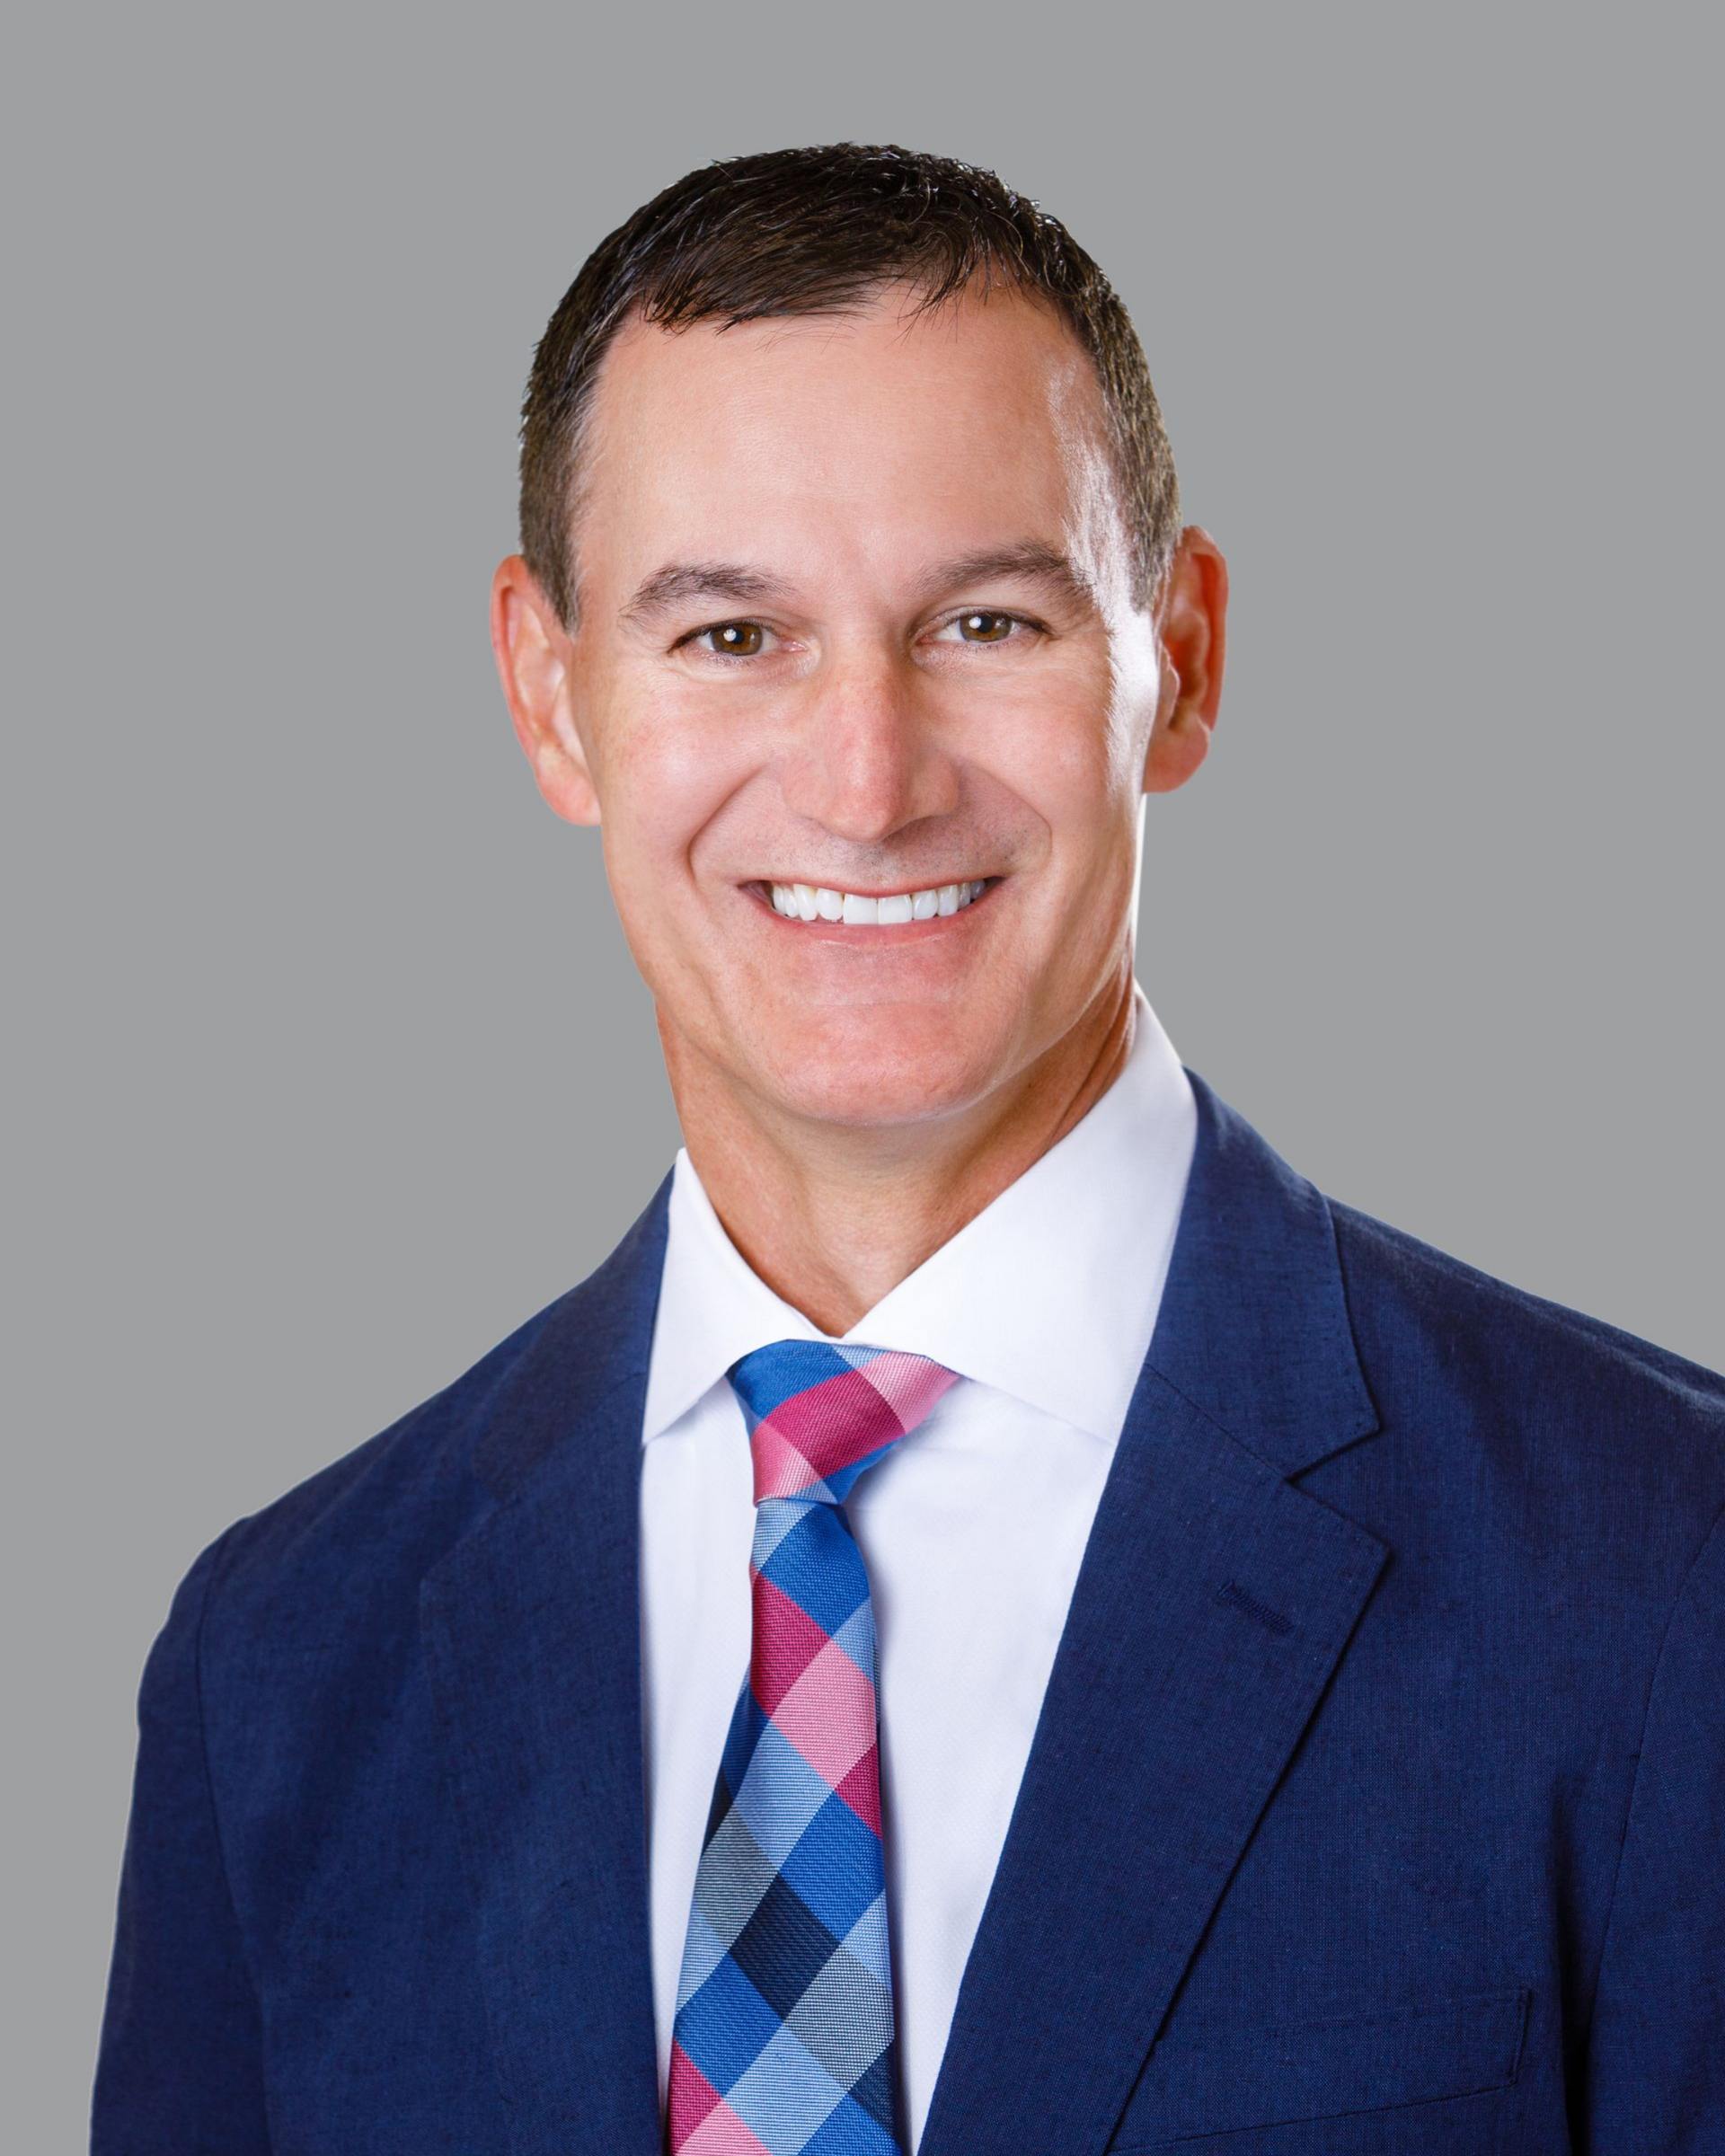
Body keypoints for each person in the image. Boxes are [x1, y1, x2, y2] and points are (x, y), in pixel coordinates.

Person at [93, 143, 1722, 2156]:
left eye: (985, 623)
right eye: (727, 637)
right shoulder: (282, 1667)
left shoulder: (1669, 1574)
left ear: (1181, 659)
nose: (866, 779)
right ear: (550, 692)